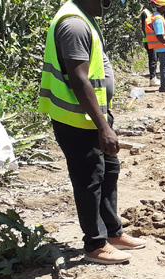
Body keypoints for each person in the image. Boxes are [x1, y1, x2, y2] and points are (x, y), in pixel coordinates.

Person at [39, 0, 146, 264]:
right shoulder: (74, 24)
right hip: (76, 120)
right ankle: (95, 244)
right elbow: (78, 79)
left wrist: (105, 121)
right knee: (89, 180)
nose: (109, 4)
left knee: (109, 170)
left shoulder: (85, 17)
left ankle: (112, 232)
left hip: (93, 117)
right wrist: (103, 126)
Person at [139, 0, 159, 86]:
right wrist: (149, 38)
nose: (155, 6)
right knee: (153, 59)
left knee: (155, 58)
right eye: (154, 4)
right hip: (148, 40)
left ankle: (154, 77)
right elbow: (144, 27)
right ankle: (152, 78)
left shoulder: (151, 13)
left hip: (152, 40)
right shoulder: (145, 13)